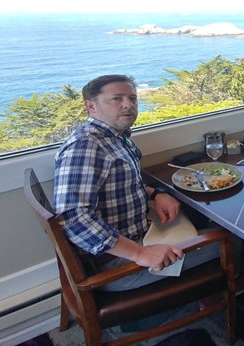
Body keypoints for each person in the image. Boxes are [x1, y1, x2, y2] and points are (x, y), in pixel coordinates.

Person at [53, 74, 218, 291]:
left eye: (133, 98)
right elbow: (73, 218)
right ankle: (221, 292)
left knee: (198, 214)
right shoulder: (85, 146)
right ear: (91, 106)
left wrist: (155, 194)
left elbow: (121, 186)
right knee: (229, 238)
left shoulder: (116, 137)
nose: (128, 105)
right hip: (116, 263)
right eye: (116, 99)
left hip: (140, 230)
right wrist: (139, 253)